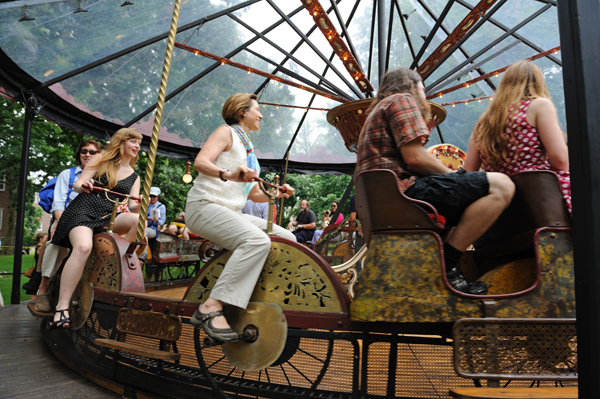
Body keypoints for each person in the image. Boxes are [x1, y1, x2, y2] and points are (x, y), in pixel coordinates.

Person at [355, 67, 515, 295]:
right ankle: (448, 266)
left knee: (465, 205)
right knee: (502, 185)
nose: (424, 95)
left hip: (390, 199)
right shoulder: (402, 99)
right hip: (405, 193)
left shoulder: (379, 109)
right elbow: (415, 157)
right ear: (411, 85)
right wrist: (455, 176)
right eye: (423, 89)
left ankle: (446, 264)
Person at [186, 93, 296, 342]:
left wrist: (277, 193)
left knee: (287, 238)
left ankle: (257, 296)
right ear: (241, 112)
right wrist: (229, 174)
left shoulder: (249, 151)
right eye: (257, 109)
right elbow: (200, 163)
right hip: (205, 205)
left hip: (230, 210)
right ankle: (211, 306)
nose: (261, 115)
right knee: (257, 241)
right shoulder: (226, 132)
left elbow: (255, 194)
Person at [49, 128, 143, 328]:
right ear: (122, 142)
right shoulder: (101, 160)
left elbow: (133, 206)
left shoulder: (135, 176)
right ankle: (62, 306)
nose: (137, 146)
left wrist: (141, 203)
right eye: (133, 141)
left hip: (108, 215)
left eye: (139, 143)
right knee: (83, 247)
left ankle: (125, 260)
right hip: (83, 210)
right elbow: (78, 184)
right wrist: (85, 185)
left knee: (135, 220)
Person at [464, 60, 571, 213]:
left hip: (503, 204)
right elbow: (560, 160)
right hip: (540, 195)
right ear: (538, 83)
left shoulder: (483, 123)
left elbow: (469, 174)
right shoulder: (539, 105)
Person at [34, 139, 101, 312]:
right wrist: (60, 222)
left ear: (99, 155)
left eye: (92, 152)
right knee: (58, 244)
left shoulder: (102, 177)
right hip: (66, 216)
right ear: (79, 155)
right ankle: (43, 287)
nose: (88, 154)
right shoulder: (68, 174)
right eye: (84, 151)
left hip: (92, 220)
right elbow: (58, 203)